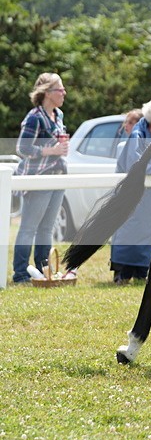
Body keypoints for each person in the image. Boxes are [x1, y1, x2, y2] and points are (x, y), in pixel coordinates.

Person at [12, 73, 77, 283]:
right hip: (38, 177)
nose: (64, 93)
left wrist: (60, 151)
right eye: (60, 89)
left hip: (57, 176)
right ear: (47, 93)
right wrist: (50, 151)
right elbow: (22, 148)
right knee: (29, 227)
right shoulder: (34, 117)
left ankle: (43, 272)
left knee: (47, 227)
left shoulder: (58, 115)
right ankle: (20, 274)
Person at [110, 99, 151, 284]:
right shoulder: (137, 136)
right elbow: (137, 165)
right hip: (137, 196)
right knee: (131, 229)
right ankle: (122, 272)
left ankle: (142, 271)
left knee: (150, 231)